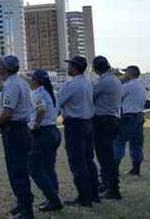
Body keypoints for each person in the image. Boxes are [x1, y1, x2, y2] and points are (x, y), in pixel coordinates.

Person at [0, 55, 34, 219]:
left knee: (17, 171)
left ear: (6, 68)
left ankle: (26, 210)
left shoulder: (11, 85)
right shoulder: (21, 82)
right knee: (19, 170)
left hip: (15, 130)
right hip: (20, 129)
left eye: (0, 64)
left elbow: (8, 112)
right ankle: (22, 204)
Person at [58, 56, 99, 208]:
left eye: (69, 66)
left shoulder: (72, 84)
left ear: (75, 68)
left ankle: (84, 198)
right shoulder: (87, 82)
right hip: (88, 123)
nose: (67, 68)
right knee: (88, 160)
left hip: (75, 126)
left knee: (77, 163)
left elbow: (58, 102)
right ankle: (94, 194)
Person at [26, 70, 63, 212]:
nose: (30, 81)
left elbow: (40, 109)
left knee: (34, 167)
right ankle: (54, 196)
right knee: (48, 167)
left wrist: (35, 125)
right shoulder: (51, 93)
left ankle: (53, 198)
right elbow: (57, 111)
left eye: (31, 79)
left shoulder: (37, 93)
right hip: (53, 130)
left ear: (36, 81)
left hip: (43, 133)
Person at [91, 55, 122, 200]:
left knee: (105, 158)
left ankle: (113, 189)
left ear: (95, 68)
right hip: (112, 119)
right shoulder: (114, 79)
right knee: (107, 157)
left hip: (103, 121)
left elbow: (90, 96)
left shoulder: (102, 82)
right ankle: (109, 186)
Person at [113, 65, 146, 176]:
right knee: (136, 144)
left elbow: (116, 98)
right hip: (139, 117)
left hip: (127, 118)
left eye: (126, 72)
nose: (124, 74)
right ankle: (136, 169)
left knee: (118, 143)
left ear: (130, 73)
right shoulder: (141, 86)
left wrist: (118, 80)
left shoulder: (127, 86)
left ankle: (114, 170)